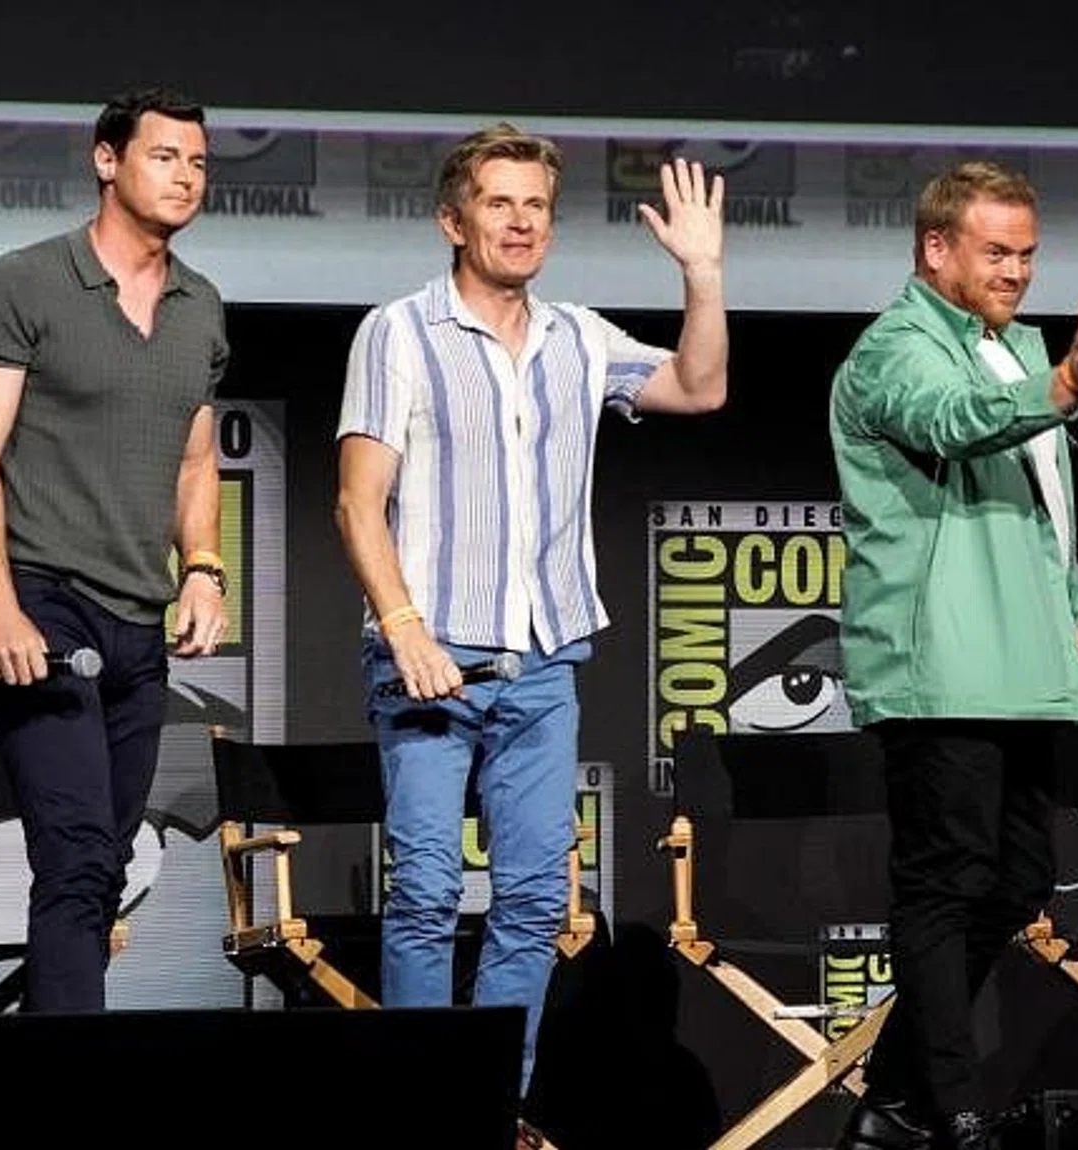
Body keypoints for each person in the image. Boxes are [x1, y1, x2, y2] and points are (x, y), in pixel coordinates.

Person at [334, 123, 727, 1138]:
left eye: (536, 205)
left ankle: (489, 1110)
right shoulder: (398, 332)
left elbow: (701, 385)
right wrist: (404, 627)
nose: (520, 221)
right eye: (499, 203)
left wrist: (703, 273)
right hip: (432, 666)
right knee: (424, 898)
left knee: (527, 912)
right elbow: (354, 501)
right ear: (452, 219)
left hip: (544, 670)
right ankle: (418, 1114)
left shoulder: (577, 338)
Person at [829, 161, 1078, 1150]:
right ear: (936, 248)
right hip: (941, 661)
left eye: (1028, 254)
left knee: (1019, 878)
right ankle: (951, 1108)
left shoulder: (1012, 350)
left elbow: (1044, 512)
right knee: (945, 882)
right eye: (997, 252)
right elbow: (951, 424)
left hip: (1024, 659)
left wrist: (1076, 599)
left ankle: (898, 1095)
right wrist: (1062, 387)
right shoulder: (895, 349)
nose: (1017, 272)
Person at [0, 88, 230, 1012]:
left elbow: (194, 458)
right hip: (40, 601)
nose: (184, 176)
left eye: (197, 161)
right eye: (163, 157)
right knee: (72, 858)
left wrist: (204, 569)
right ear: (107, 161)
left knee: (102, 870)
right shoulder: (22, 283)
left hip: (138, 619)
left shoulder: (200, 308)